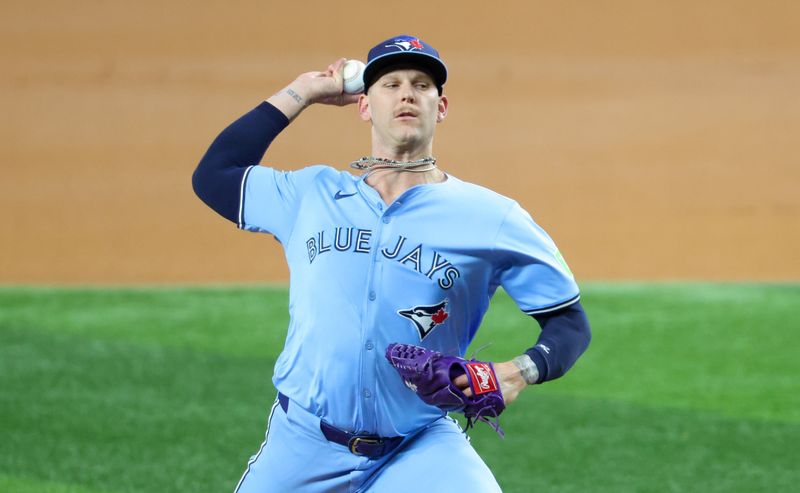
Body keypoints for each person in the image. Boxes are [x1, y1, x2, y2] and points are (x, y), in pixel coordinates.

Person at [193, 34, 591, 493]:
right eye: (391, 84)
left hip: (419, 447)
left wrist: (517, 371)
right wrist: (304, 91)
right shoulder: (310, 195)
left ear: (440, 107)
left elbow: (568, 323)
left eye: (422, 85)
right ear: (363, 105)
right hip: (302, 443)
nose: (407, 93)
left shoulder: (491, 217)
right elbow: (214, 175)